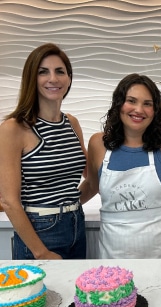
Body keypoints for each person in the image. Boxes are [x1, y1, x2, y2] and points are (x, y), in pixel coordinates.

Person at [79, 73, 161, 258]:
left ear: (155, 110)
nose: (138, 109)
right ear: (119, 104)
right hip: (115, 251)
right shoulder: (98, 144)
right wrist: (59, 210)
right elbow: (91, 185)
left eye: (147, 103)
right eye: (131, 101)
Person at [0, 43, 87, 260]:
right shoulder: (14, 128)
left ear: (69, 77)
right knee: (42, 294)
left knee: (76, 294)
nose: (53, 79)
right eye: (43, 72)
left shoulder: (72, 123)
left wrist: (68, 208)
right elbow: (9, 201)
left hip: (77, 223)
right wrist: (41, 253)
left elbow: (87, 178)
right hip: (40, 232)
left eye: (60, 71)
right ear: (31, 79)